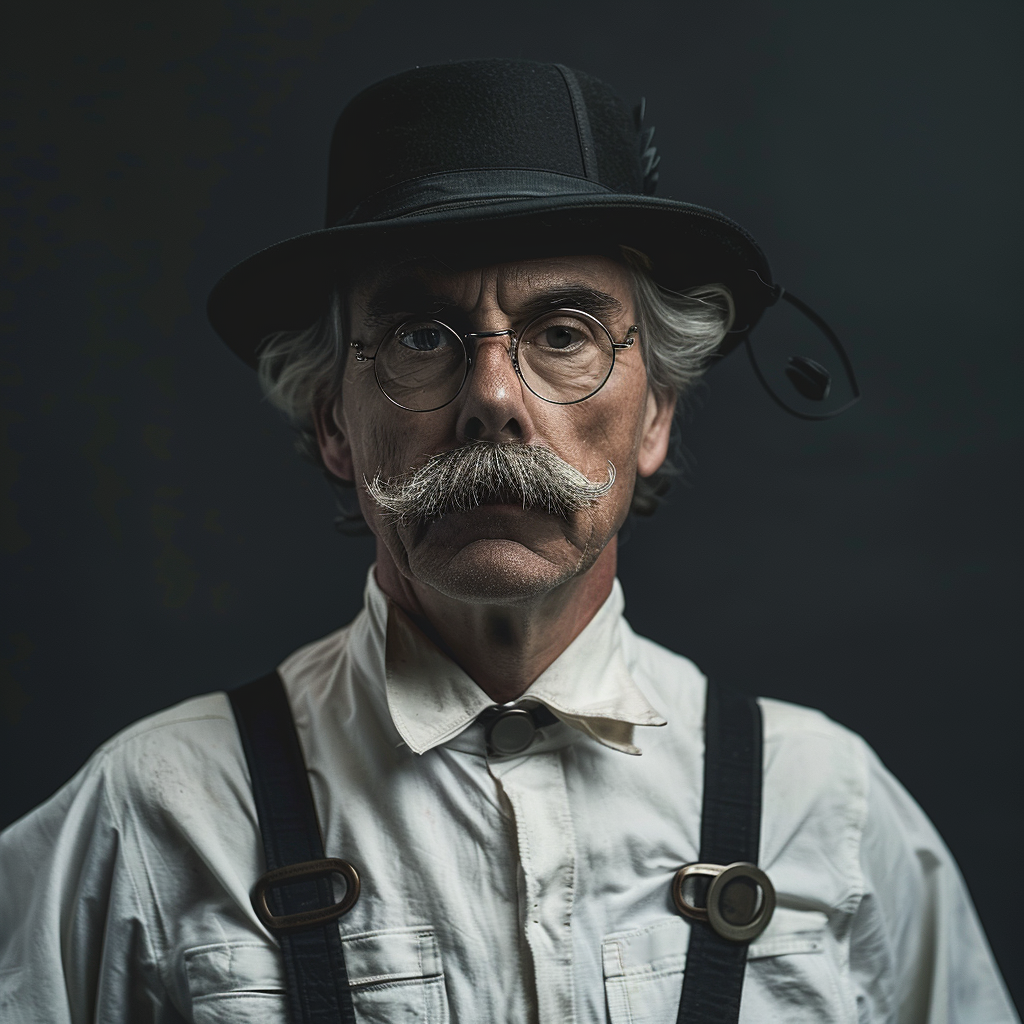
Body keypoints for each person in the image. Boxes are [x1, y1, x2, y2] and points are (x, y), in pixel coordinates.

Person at [0, 58, 1016, 1024]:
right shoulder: (154, 815)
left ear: (655, 413)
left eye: (563, 333)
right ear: (332, 424)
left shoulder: (823, 807)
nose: (493, 398)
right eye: (419, 336)